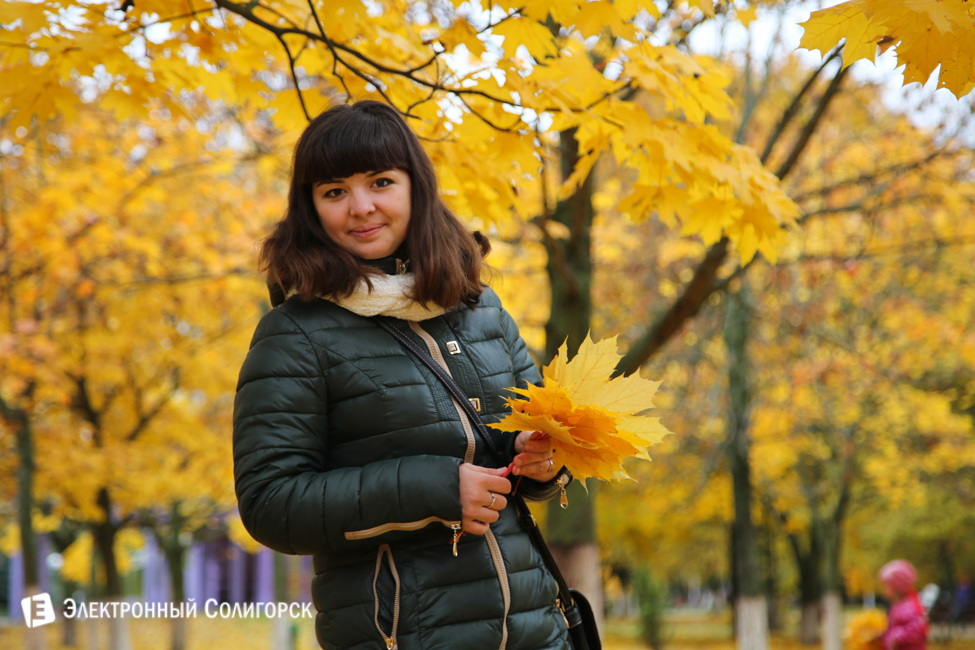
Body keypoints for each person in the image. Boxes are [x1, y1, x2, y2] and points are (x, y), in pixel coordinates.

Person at [233, 100, 573, 650]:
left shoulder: (482, 310)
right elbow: (271, 503)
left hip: (537, 633)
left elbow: (536, 450)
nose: (361, 207)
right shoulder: (294, 336)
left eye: (381, 182)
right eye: (335, 191)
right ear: (312, 209)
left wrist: (541, 459)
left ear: (417, 187)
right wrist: (436, 490)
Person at [879, 559, 929, 650]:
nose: (883, 591)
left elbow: (916, 629)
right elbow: (894, 627)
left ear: (897, 586)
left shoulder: (908, 608)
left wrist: (896, 638)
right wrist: (883, 635)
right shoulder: (898, 606)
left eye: (885, 586)